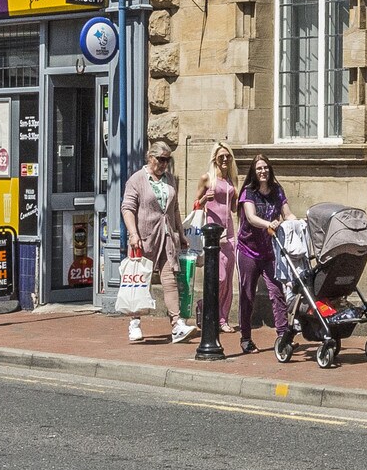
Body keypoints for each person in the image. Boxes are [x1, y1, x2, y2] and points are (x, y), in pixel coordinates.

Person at [120, 139, 192, 345]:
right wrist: (133, 234)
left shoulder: (169, 179)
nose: (164, 164)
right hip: (144, 237)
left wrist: (181, 232)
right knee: (140, 280)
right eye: (161, 160)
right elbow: (127, 208)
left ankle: (177, 324)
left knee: (169, 280)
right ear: (150, 158)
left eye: (167, 160)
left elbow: (175, 208)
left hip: (167, 235)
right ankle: (134, 322)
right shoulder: (137, 180)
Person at [235, 153, 290, 355]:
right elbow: (250, 217)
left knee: (277, 292)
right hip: (248, 250)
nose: (263, 171)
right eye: (259, 168)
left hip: (269, 251)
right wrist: (270, 224)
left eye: (265, 167)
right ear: (254, 171)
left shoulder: (277, 190)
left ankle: (283, 335)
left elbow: (287, 213)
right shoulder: (248, 192)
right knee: (247, 294)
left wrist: (295, 221)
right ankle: (246, 338)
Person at [190, 143, 239, 334]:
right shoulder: (207, 178)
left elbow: (234, 209)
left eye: (228, 156)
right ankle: (205, 304)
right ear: (215, 159)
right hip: (212, 234)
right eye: (221, 157)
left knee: (228, 280)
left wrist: (237, 196)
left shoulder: (231, 179)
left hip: (230, 233)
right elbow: (195, 205)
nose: (225, 160)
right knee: (219, 277)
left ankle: (222, 318)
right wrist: (204, 200)